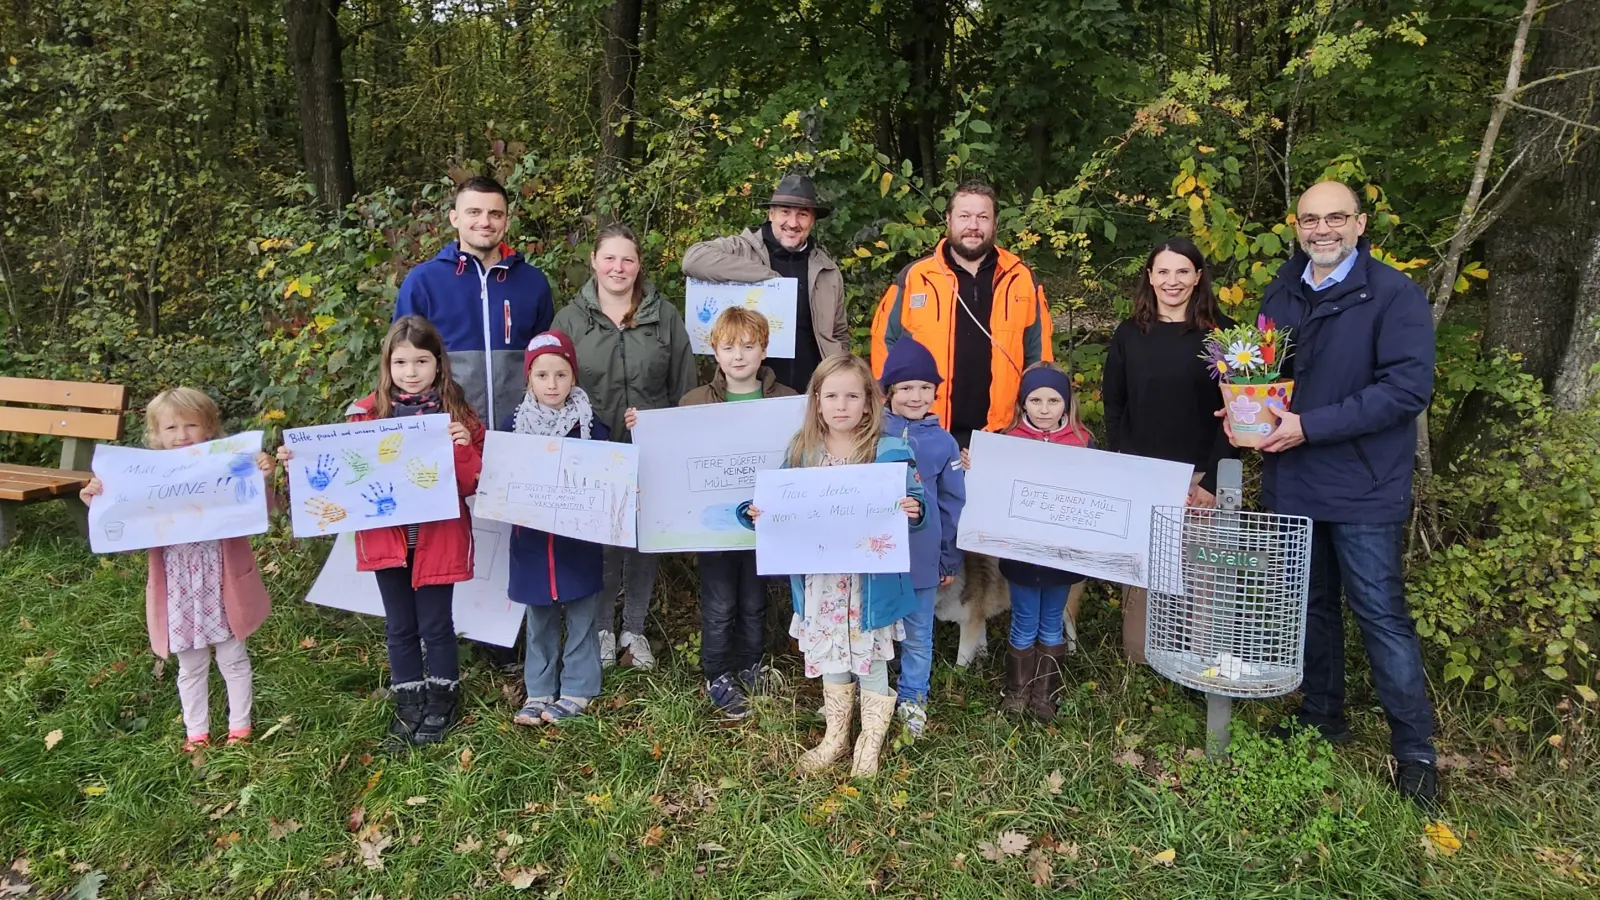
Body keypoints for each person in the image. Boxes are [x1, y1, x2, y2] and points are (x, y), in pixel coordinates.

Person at [1240, 181, 1439, 808]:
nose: (1321, 230)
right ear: (1296, 227)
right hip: (1293, 480)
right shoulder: (1284, 289)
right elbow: (1265, 373)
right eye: (1309, 220)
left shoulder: (1392, 294)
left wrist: (1310, 426)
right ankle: (1323, 715)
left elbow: (1407, 390)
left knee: (1380, 615)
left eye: (1335, 218)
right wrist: (1247, 412)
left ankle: (1416, 755)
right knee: (1311, 607)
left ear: (1358, 225)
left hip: (1362, 483)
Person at [281, 316, 484, 745]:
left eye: (421, 362)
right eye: (401, 363)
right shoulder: (365, 417)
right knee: (399, 626)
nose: (411, 372)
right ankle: (408, 702)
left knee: (436, 625)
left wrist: (464, 446)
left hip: (438, 541)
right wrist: (297, 464)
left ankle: (443, 698)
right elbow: (333, 475)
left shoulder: (457, 415)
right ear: (387, 367)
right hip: (387, 543)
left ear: (439, 364)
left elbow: (471, 483)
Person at [739, 355, 926, 777]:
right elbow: (777, 503)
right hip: (822, 581)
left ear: (868, 402)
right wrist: (754, 512)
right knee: (832, 658)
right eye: (831, 395)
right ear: (817, 401)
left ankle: (869, 743)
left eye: (852, 395)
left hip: (869, 584)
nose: (841, 404)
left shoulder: (891, 451)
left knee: (871, 659)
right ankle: (835, 737)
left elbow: (917, 504)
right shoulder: (802, 452)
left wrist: (915, 511)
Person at [80, 388, 276, 753]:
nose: (182, 435)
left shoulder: (226, 465)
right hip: (178, 590)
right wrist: (98, 500)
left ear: (209, 429)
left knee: (233, 657)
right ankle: (196, 733)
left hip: (222, 583)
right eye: (171, 428)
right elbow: (123, 528)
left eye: (191, 425)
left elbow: (260, 510)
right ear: (156, 434)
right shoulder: (143, 479)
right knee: (191, 664)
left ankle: (240, 728)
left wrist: (262, 477)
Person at [553, 223, 697, 671]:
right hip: (591, 452)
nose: (618, 267)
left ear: (639, 266)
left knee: (641, 543)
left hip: (648, 453)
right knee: (599, 546)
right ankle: (599, 630)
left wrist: (669, 432)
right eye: (609, 258)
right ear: (594, 261)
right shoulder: (570, 320)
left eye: (627, 259)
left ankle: (633, 631)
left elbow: (685, 385)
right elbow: (550, 385)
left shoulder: (664, 316)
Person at [1102, 237, 1236, 664]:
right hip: (1144, 477)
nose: (1172, 281)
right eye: (1163, 271)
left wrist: (1214, 481)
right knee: (1144, 577)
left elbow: (1239, 415)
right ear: (1150, 277)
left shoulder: (1223, 336)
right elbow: (1114, 403)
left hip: (1202, 478)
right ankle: (1144, 665)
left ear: (1198, 277)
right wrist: (1122, 464)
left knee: (1204, 580)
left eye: (1182, 271)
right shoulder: (1129, 334)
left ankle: (1202, 667)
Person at [869, 181, 1054, 448]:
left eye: (983, 217)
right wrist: (893, 408)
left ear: (995, 223)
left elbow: (1040, 355)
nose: (974, 226)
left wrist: (1035, 415)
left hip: (1003, 432)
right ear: (949, 219)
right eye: (964, 216)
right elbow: (884, 345)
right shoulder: (916, 277)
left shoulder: (1020, 278)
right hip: (927, 428)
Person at [679, 307, 798, 720]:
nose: (739, 356)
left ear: (765, 350)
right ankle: (716, 672)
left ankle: (750, 664)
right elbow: (676, 458)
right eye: (729, 347)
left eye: (749, 346)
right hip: (714, 527)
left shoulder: (787, 401)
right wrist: (643, 425)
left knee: (753, 599)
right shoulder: (694, 402)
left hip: (763, 524)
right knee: (720, 602)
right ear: (715, 351)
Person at [505, 331, 609, 725]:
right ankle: (539, 689)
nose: (552, 384)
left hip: (576, 542)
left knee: (583, 615)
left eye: (561, 375)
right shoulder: (510, 428)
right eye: (543, 375)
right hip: (531, 544)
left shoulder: (592, 429)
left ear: (573, 378)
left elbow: (609, 478)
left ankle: (580, 687)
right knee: (539, 619)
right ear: (529, 379)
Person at [393, 175, 554, 429]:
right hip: (450, 434)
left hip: (520, 434)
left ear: (506, 221)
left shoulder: (533, 283)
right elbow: (401, 363)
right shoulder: (423, 282)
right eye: (474, 212)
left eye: (495, 214)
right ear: (454, 218)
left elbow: (548, 361)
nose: (485, 222)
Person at [988, 363, 1091, 722]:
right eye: (1035, 400)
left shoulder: (1083, 442)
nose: (1044, 409)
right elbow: (994, 489)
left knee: (1051, 620)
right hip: (1022, 552)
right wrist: (976, 464)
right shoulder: (1007, 441)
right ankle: (1017, 691)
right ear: (1022, 403)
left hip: (1062, 555)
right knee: (1024, 619)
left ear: (1067, 403)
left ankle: (1045, 694)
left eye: (1053, 400)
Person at [682, 174, 849, 392]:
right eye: (785, 212)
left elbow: (839, 334)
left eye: (802, 215)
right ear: (771, 214)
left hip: (813, 392)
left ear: (812, 220)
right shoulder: (742, 249)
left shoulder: (827, 270)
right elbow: (692, 259)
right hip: (754, 391)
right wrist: (765, 276)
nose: (793, 223)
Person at [877, 337, 965, 741]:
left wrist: (948, 557)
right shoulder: (870, 431)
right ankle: (875, 691)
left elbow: (952, 502)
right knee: (875, 626)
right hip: (874, 556)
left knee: (918, 633)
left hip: (923, 554)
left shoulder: (943, 442)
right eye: (906, 388)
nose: (916, 396)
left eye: (925, 388)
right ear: (890, 391)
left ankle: (913, 698)